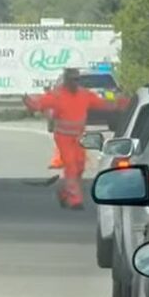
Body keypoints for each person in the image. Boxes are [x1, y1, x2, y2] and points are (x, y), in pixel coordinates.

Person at [24, 68, 129, 210]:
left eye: (77, 80)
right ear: (67, 81)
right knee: (71, 167)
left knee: (80, 167)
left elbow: (102, 104)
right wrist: (30, 103)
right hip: (63, 137)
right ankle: (75, 200)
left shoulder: (84, 95)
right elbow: (40, 104)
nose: (75, 82)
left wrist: (121, 104)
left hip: (78, 137)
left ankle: (65, 193)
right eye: (73, 80)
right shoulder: (57, 95)